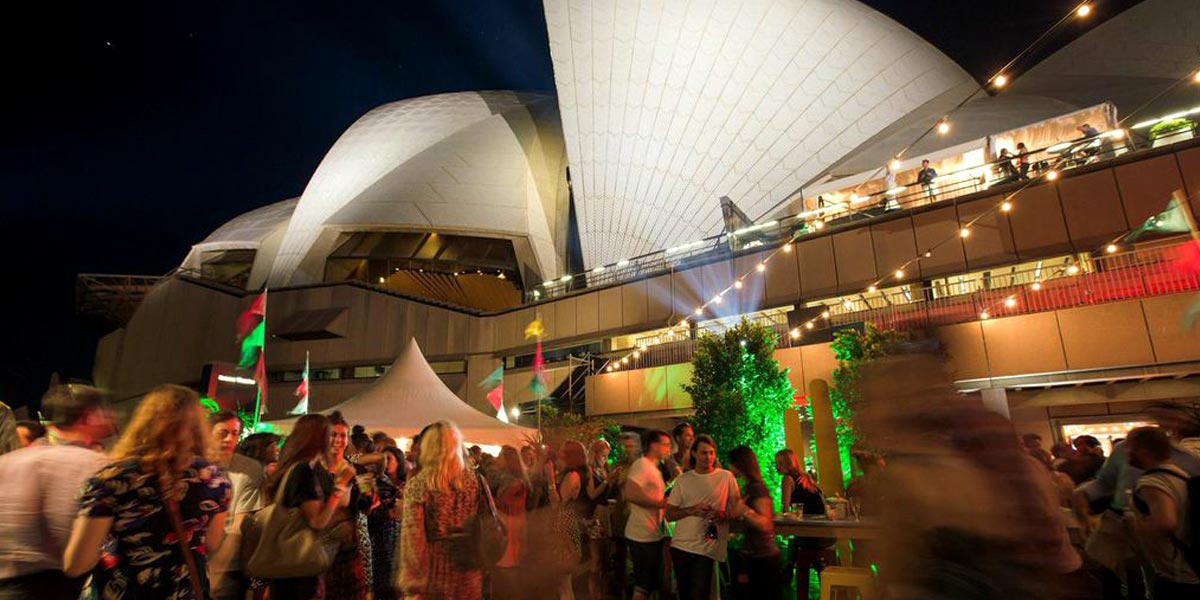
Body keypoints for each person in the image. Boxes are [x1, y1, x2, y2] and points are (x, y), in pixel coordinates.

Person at [63, 384, 232, 599]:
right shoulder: (217, 480)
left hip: (123, 590)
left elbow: (77, 564)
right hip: (183, 591)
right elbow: (212, 543)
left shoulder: (113, 478)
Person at [0, 385, 112, 599]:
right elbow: (74, 551)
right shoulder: (88, 464)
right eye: (103, 411)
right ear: (90, 417)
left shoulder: (10, 461)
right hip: (49, 587)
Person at [263, 413, 353, 599]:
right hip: (298, 563)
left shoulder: (297, 467)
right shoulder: (303, 470)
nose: (334, 441)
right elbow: (317, 521)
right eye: (330, 434)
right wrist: (339, 488)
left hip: (288, 561)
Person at [399, 420, 483, 599]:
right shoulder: (473, 482)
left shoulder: (419, 485)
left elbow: (414, 541)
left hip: (435, 570)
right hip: (468, 567)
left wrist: (413, 585)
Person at [664, 434, 741, 600]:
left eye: (712, 453)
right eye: (704, 453)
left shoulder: (726, 477)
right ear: (694, 454)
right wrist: (691, 510)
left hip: (707, 545)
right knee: (685, 594)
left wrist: (722, 514)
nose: (709, 457)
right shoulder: (684, 480)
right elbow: (669, 514)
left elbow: (737, 509)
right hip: (681, 545)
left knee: (700, 594)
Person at [1126, 426, 1199, 598]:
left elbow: (1165, 522)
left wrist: (1135, 524)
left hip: (1177, 575)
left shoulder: (1152, 481)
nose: (1125, 453)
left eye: (1128, 447)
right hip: (1191, 566)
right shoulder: (1180, 474)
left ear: (1142, 451)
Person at [207, 410, 267, 600]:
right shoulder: (194, 465)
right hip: (193, 557)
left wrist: (218, 572)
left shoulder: (248, 469)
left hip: (229, 564)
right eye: (223, 433)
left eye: (234, 433)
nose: (229, 439)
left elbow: (238, 526)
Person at [326, 412, 371, 600]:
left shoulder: (356, 469)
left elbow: (366, 505)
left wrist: (369, 495)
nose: (338, 440)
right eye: (333, 435)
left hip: (350, 544)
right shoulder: (315, 469)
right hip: (322, 545)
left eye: (342, 435)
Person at [776, 448, 833, 595]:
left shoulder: (787, 479)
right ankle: (824, 578)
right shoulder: (805, 477)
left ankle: (787, 575)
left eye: (779, 464)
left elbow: (785, 508)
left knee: (795, 545)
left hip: (811, 536)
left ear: (788, 464)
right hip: (825, 534)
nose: (777, 467)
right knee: (796, 545)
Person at [727, 445, 780, 598]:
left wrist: (743, 510)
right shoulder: (749, 487)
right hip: (754, 554)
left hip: (763, 557)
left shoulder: (756, 488)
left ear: (739, 464)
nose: (729, 467)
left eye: (730, 463)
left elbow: (765, 523)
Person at [624, 429, 671, 600]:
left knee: (649, 583)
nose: (668, 449)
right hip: (642, 534)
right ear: (653, 445)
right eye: (665, 445)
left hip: (651, 533)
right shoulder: (642, 465)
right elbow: (630, 493)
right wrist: (659, 503)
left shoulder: (653, 468)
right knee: (643, 584)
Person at [491, 445, 530, 600]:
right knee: (508, 570)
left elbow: (501, 504)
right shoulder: (516, 480)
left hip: (509, 526)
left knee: (505, 572)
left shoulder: (514, 483)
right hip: (513, 524)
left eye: (500, 456)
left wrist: (485, 497)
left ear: (507, 460)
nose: (497, 459)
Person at [584, 439, 620, 600]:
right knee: (596, 558)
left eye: (607, 456)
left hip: (605, 511)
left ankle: (603, 593)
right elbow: (592, 494)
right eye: (603, 456)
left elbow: (606, 492)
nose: (605, 459)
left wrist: (611, 481)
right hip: (596, 514)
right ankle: (594, 594)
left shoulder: (603, 469)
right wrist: (607, 480)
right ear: (595, 453)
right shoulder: (590, 470)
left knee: (605, 558)